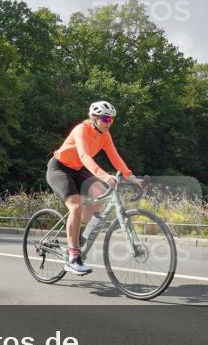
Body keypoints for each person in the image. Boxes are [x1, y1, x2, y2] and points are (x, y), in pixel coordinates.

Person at [46, 101, 144, 275]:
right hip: (59, 168)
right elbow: (84, 156)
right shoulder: (81, 129)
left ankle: (77, 228)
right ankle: (73, 257)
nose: (109, 122)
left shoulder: (105, 135)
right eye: (105, 118)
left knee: (101, 194)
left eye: (112, 119)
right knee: (76, 206)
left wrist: (132, 177)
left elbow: (115, 157)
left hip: (78, 169)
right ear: (94, 118)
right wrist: (104, 175)